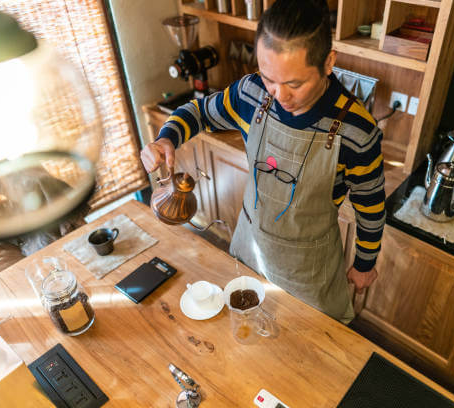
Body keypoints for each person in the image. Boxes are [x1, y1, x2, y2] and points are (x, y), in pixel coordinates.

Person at [141, 0, 385, 324]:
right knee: (248, 332)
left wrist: (365, 264)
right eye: (269, 77)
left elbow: (371, 207)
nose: (280, 95)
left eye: (295, 83)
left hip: (308, 270)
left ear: (328, 62)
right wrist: (166, 138)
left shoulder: (357, 130)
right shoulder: (252, 93)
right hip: (250, 246)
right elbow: (197, 112)